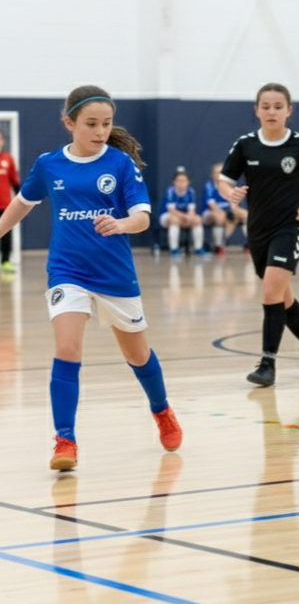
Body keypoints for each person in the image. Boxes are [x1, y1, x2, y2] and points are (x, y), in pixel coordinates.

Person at [0, 86, 183, 471]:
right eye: (91, 124)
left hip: (114, 274)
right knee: (67, 350)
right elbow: (21, 204)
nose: (100, 131)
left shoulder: (119, 164)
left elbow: (143, 217)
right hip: (67, 271)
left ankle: (162, 410)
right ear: (69, 123)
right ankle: (64, 440)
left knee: (137, 355)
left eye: (107, 123)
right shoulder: (49, 165)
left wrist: (120, 223)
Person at [219, 83, 299, 386]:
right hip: (258, 228)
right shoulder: (246, 145)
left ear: (288, 111)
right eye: (265, 106)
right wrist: (232, 193)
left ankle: (267, 364)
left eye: (278, 106)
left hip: (290, 226)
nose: (271, 111)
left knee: (270, 291)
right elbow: (224, 179)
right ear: (256, 110)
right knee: (281, 296)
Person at [201, 162, 248, 255]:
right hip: (211, 212)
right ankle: (218, 245)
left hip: (227, 211)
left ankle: (249, 243)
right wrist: (225, 213)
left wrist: (234, 210)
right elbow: (212, 205)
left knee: (245, 215)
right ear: (213, 174)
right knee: (220, 217)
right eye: (217, 172)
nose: (219, 175)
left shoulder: (230, 185)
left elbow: (234, 202)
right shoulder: (210, 186)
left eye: (221, 172)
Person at [159, 168, 207, 257]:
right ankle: (174, 249)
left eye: (183, 181)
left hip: (184, 217)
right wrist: (185, 217)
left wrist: (189, 217)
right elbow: (171, 210)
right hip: (167, 216)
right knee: (175, 220)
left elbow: (192, 209)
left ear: (188, 182)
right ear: (174, 182)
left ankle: (198, 248)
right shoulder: (171, 191)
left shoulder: (190, 192)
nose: (181, 183)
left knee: (197, 220)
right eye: (179, 181)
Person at [0, 131, 20, 273]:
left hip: (5, 204)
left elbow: (15, 181)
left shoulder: (7, 158)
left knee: (6, 234)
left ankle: (6, 261)